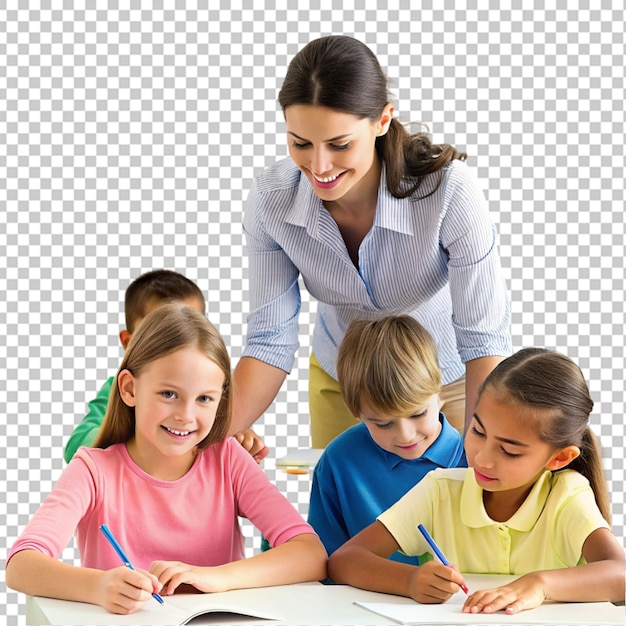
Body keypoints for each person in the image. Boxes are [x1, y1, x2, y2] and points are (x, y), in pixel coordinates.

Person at [231, 35, 511, 452]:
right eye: (300, 143)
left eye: (340, 144)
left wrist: (482, 447)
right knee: (344, 513)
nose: (319, 166)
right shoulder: (272, 200)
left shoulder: (449, 192)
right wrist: (204, 437)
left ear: (382, 121)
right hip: (345, 382)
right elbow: (270, 339)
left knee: (453, 510)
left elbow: (484, 340)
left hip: (444, 384)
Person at [7, 304, 327, 615]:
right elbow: (22, 565)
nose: (185, 416)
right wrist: (99, 586)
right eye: (169, 394)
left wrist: (215, 577)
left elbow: (309, 553)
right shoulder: (93, 470)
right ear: (130, 389)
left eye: (204, 399)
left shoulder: (228, 459)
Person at [327, 348, 625, 615]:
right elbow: (345, 560)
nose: (482, 458)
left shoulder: (566, 496)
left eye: (508, 450)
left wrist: (540, 584)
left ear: (559, 459)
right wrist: (410, 580)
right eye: (478, 432)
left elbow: (621, 574)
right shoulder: (440, 490)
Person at [63, 269, 267, 463]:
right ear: (128, 342)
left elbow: (219, 437)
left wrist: (236, 439)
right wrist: (141, 437)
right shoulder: (119, 387)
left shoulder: (215, 389)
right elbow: (76, 445)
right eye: (161, 333)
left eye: (192, 326)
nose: (182, 343)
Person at [308, 316, 466, 564]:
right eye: (383, 423)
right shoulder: (339, 461)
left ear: (439, 394)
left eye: (418, 414)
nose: (405, 435)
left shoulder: (477, 458)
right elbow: (326, 562)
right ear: (356, 413)